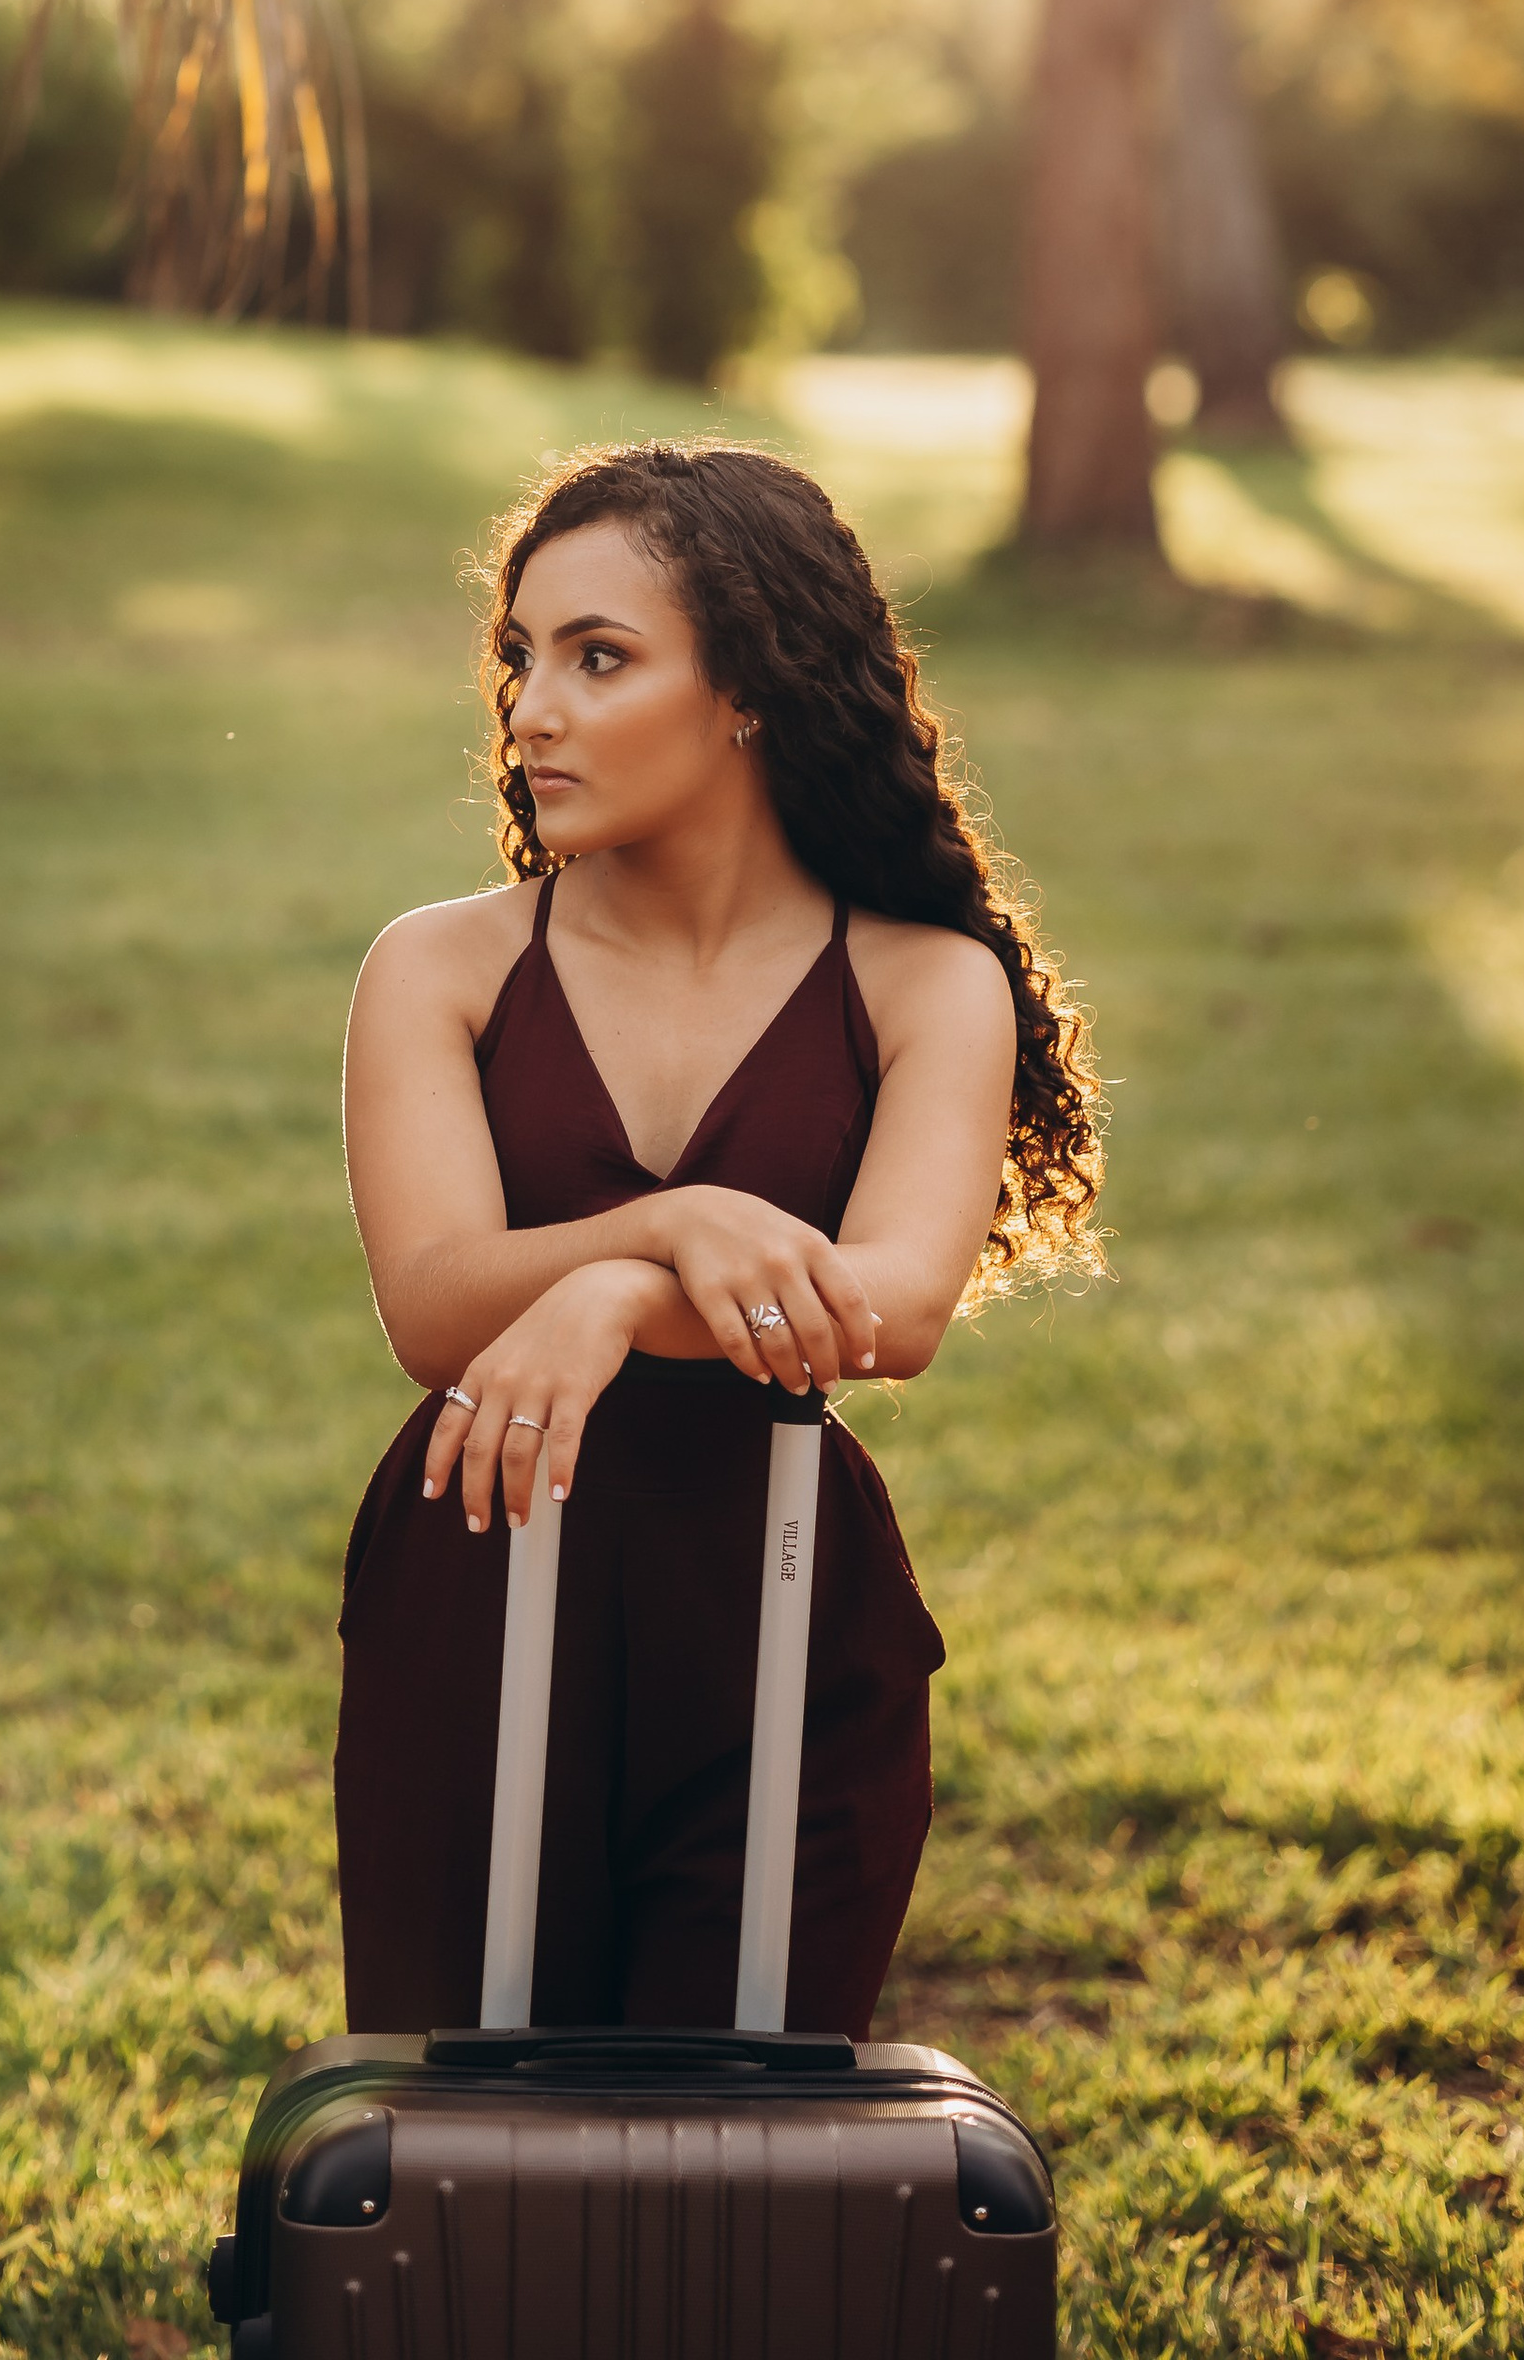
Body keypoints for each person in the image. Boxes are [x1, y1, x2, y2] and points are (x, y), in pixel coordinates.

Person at [333, 438, 1101, 2040]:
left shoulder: (921, 979)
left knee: (728, 2177)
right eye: (520, 656)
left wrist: (612, 1294)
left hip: (791, 1610)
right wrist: (675, 1226)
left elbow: (891, 1309)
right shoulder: (439, 968)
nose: (533, 707)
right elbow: (432, 1308)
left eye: (599, 658)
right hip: (478, 1592)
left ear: (749, 687)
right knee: (485, 2161)